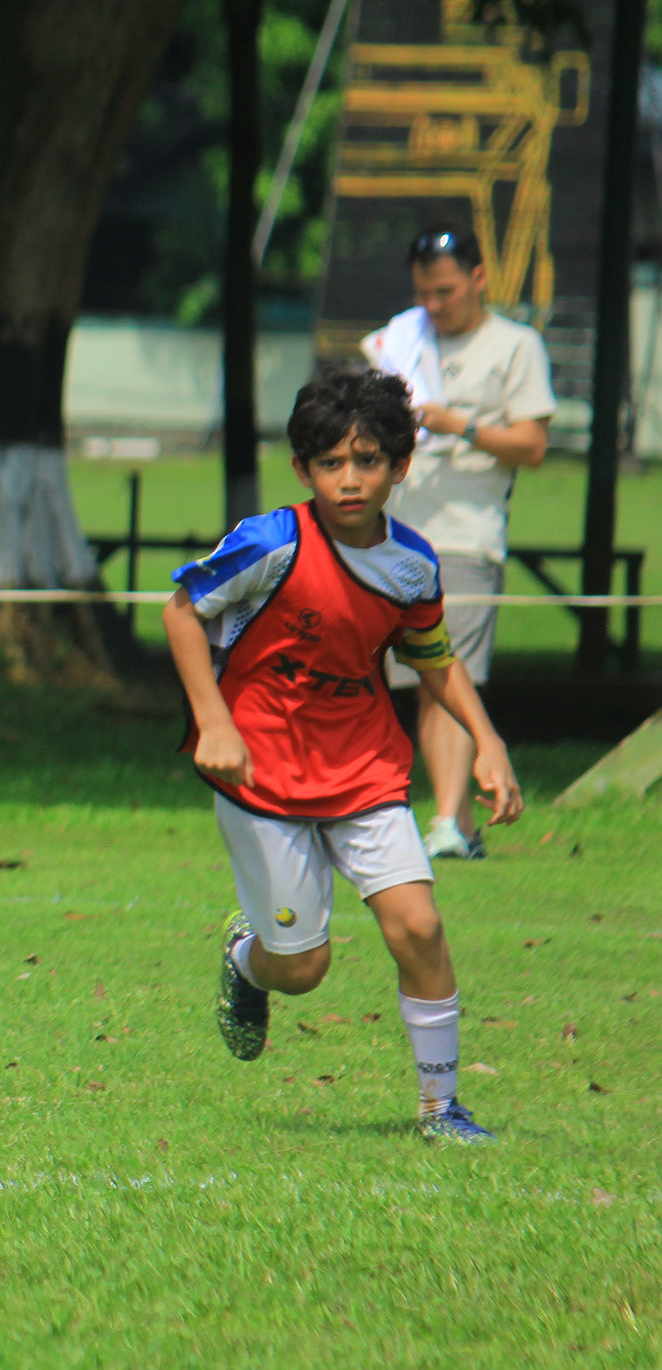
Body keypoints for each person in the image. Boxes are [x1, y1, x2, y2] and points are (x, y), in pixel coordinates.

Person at [164, 367, 523, 1145]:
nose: (349, 479)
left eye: (367, 461)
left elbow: (432, 657)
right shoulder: (271, 542)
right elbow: (182, 610)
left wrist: (487, 739)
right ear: (302, 470)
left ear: (400, 464)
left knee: (418, 927)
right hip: (259, 770)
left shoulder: (412, 563)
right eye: (329, 463)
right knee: (303, 969)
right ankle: (246, 958)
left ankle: (440, 1109)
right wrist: (213, 721)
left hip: (363, 766)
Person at [362, 226, 554, 861]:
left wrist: (458, 425)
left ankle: (446, 819)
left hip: (468, 536)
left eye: (445, 292)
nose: (434, 305)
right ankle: (460, 824)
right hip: (398, 535)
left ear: (479, 278)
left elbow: (532, 445)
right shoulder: (400, 341)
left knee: (448, 670)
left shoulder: (515, 345)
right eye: (424, 293)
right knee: (423, 677)